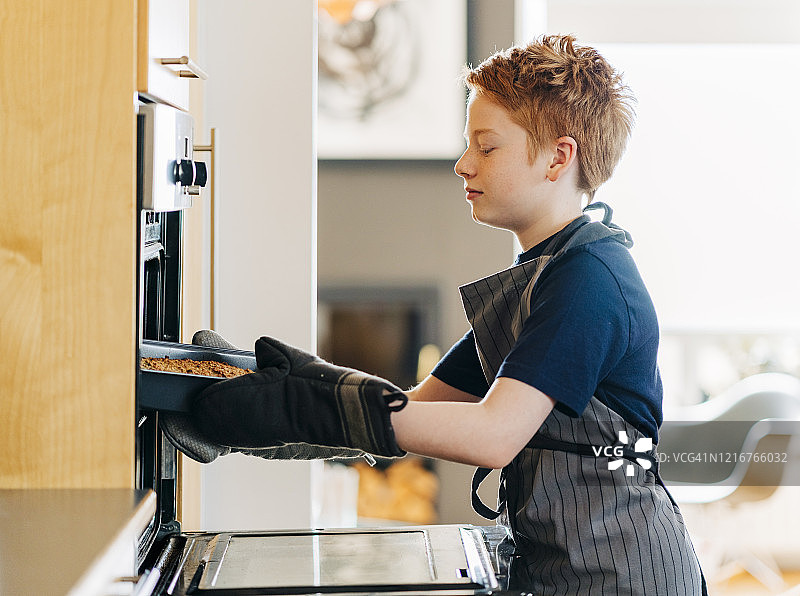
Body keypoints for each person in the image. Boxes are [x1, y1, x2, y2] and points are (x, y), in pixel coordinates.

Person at [163, 34, 706, 595]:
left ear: (558, 157)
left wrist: (310, 406)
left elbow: (493, 435)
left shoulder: (590, 281)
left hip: (622, 576)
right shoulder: (543, 277)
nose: (462, 163)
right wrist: (268, 404)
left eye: (486, 147)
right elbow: (420, 413)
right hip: (566, 567)